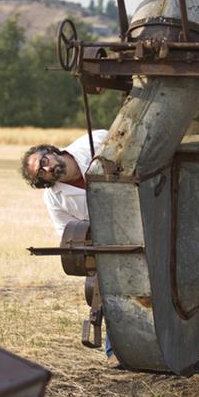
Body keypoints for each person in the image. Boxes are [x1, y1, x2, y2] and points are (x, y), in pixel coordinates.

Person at [20, 129, 121, 368]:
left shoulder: (94, 140)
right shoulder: (55, 199)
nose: (47, 169)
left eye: (43, 161)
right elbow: (68, 234)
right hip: (112, 238)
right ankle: (116, 351)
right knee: (110, 287)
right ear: (43, 183)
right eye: (41, 173)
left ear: (51, 151)